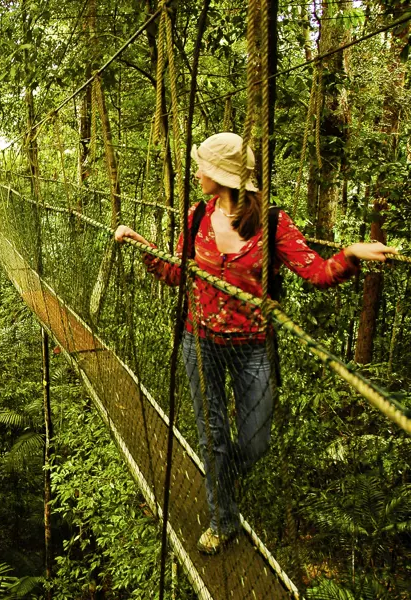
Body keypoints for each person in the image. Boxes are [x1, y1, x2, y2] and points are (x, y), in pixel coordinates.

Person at [113, 132, 396, 554]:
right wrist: (143, 247)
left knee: (254, 442)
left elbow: (316, 272)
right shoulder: (196, 217)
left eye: (204, 165)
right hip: (200, 340)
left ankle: (221, 477)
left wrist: (351, 252)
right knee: (213, 437)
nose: (197, 172)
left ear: (223, 175)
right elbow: (177, 274)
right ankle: (223, 520)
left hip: (252, 347)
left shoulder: (273, 224)